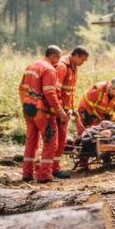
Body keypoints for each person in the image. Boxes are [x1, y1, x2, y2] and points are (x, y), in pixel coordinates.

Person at [18, 45, 67, 183]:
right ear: (53, 56)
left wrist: (26, 103)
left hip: (28, 108)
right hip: (41, 111)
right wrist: (60, 111)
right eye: (57, 58)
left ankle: (27, 174)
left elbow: (21, 88)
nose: (58, 61)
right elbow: (50, 93)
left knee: (31, 141)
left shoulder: (32, 66)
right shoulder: (49, 69)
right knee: (50, 142)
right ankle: (44, 175)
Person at [52, 46, 89, 179]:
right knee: (56, 141)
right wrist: (61, 110)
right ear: (76, 55)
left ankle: (53, 167)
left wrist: (71, 110)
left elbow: (69, 93)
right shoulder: (62, 67)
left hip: (65, 110)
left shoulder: (73, 68)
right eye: (82, 60)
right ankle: (53, 169)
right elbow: (56, 91)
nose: (83, 63)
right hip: (59, 111)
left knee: (61, 141)